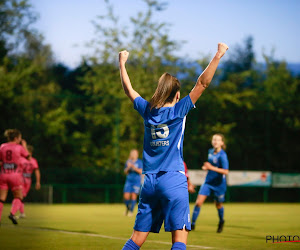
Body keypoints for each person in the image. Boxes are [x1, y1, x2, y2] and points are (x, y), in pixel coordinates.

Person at [119, 43, 228, 250]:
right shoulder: (180, 110)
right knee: (179, 240)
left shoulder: (148, 110)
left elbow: (129, 90)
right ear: (177, 95)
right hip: (173, 180)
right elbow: (202, 84)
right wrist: (218, 55)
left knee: (136, 240)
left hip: (149, 182)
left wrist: (122, 63)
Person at [191, 134, 229, 233]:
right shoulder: (210, 152)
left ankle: (221, 221)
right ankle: (192, 224)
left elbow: (226, 171)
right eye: (214, 139)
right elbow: (210, 165)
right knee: (198, 202)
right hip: (208, 182)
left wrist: (211, 168)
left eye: (218, 140)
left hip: (219, 185)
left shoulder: (223, 155)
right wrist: (206, 168)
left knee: (218, 205)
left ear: (222, 143)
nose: (215, 141)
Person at [0, 129, 29, 225]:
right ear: (16, 138)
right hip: (15, 176)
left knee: (1, 199)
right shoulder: (19, 147)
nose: (20, 140)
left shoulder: (2, 146)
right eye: (20, 138)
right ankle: (12, 214)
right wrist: (24, 146)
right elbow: (28, 157)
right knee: (18, 196)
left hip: (3, 174)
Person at [17, 145, 41, 218]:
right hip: (21, 179)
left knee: (21, 196)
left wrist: (38, 182)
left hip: (27, 180)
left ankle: (20, 213)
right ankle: (20, 213)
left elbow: (37, 171)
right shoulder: (22, 159)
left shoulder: (32, 160)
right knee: (19, 196)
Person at [123, 149, 143, 216]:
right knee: (126, 196)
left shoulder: (139, 162)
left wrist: (133, 167)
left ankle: (131, 211)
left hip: (136, 181)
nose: (134, 155)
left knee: (134, 196)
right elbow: (125, 172)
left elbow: (141, 171)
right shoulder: (128, 161)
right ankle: (127, 209)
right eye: (133, 153)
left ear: (137, 154)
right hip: (129, 181)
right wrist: (128, 167)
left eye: (135, 153)